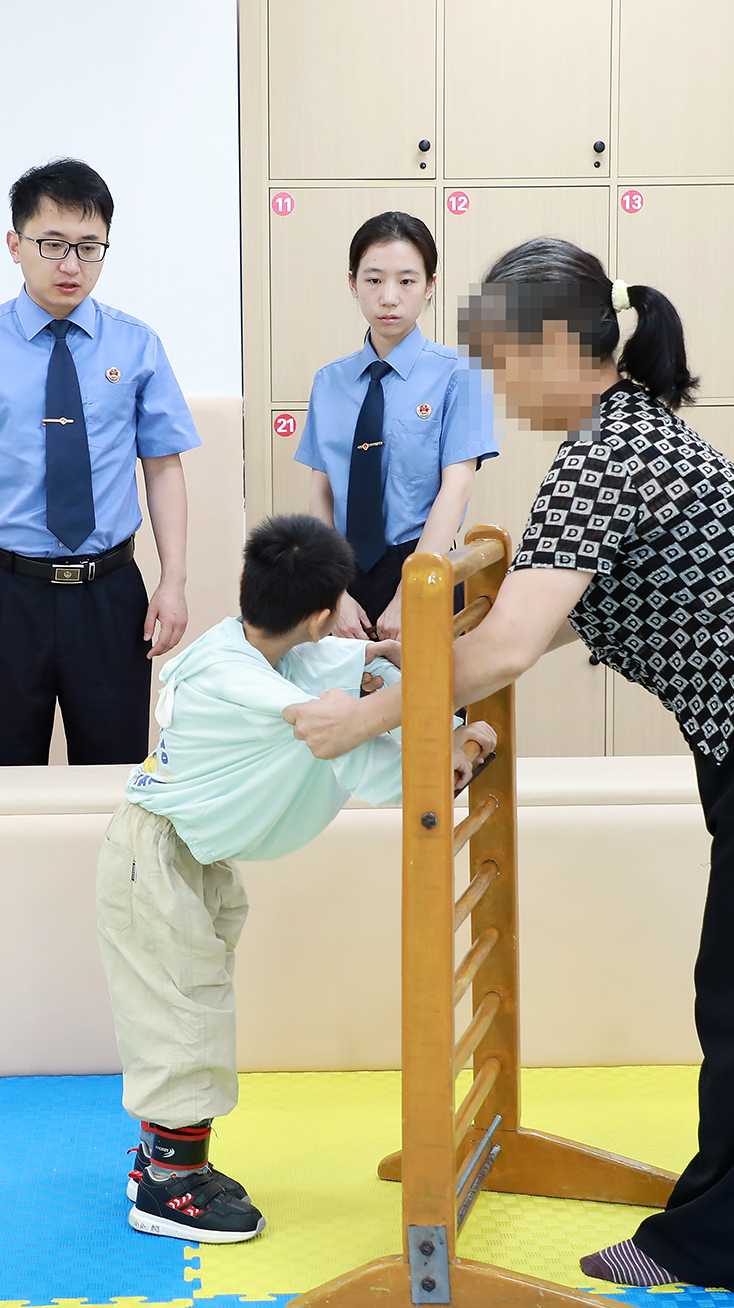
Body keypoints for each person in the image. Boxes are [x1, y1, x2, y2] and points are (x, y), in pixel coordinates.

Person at [283, 239, 734, 1291]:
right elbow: (544, 623)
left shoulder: (604, 452)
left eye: (504, 364)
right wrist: (407, 658)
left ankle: (724, 1241)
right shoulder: (624, 432)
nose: (500, 391)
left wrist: (358, 719)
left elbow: (502, 649)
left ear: (557, 344)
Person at [99, 514, 494, 1243]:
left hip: (189, 854)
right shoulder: (252, 687)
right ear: (320, 614)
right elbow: (345, 738)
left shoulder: (252, 645)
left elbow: (334, 672)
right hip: (152, 857)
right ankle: (169, 1186)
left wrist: (376, 658)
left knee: (194, 998)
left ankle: (163, 1158)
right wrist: (453, 744)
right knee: (182, 1011)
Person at [0, 159, 197, 765]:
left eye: (89, 247)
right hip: (4, 594)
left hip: (110, 591)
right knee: (2, 776)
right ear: (15, 245)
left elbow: (163, 468)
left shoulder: (137, 344)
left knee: (114, 773)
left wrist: (173, 581)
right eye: (53, 245)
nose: (71, 265)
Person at [295, 212, 495, 641]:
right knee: (344, 685)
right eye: (374, 280)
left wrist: (413, 589)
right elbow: (321, 491)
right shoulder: (329, 382)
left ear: (430, 286)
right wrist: (334, 589)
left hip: (422, 562)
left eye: (406, 281)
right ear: (353, 283)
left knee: (428, 687)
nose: (389, 298)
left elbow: (457, 487)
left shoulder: (461, 375)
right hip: (342, 574)